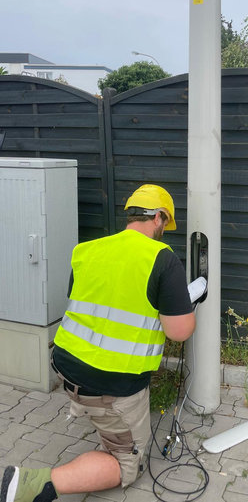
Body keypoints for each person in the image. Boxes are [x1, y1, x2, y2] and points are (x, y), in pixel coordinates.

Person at [0, 184, 196, 502]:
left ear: (131, 214)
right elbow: (179, 331)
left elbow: (95, 307)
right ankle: (30, 484)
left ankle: (106, 423)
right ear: (159, 218)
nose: (164, 230)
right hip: (108, 383)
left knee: (110, 416)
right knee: (127, 466)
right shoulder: (163, 259)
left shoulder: (87, 250)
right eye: (165, 223)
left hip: (65, 364)